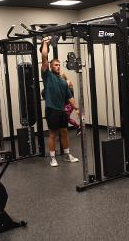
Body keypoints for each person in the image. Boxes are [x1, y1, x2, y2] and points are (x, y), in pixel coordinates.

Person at [41, 37, 79, 167]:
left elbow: (70, 97)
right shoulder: (47, 76)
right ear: (50, 67)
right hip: (51, 109)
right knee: (53, 134)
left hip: (61, 110)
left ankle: (67, 155)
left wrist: (78, 110)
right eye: (55, 65)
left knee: (64, 132)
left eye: (58, 65)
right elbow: (44, 57)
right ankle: (52, 157)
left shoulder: (63, 82)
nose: (57, 67)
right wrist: (45, 43)